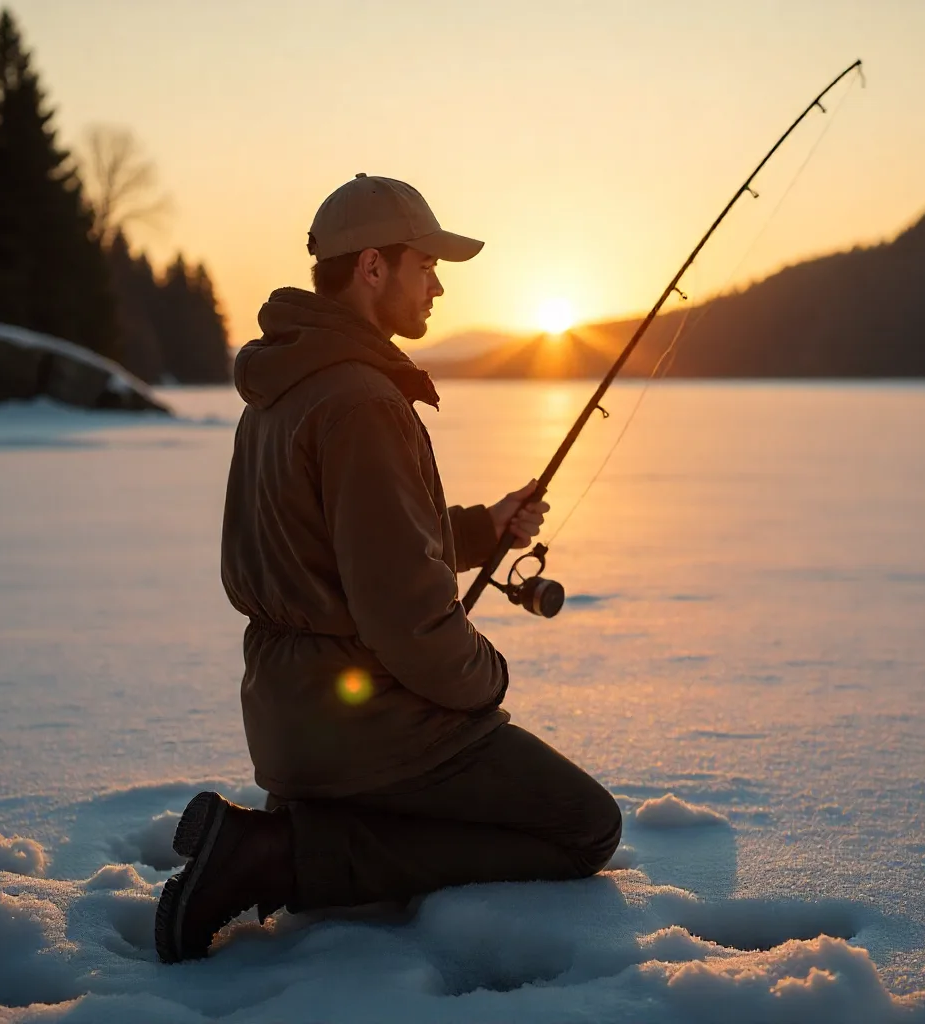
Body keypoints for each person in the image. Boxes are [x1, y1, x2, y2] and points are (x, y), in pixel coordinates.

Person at [154, 174, 622, 964]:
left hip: (290, 717)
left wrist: (481, 530)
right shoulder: (362, 399)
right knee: (586, 826)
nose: (438, 285)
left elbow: (341, 543)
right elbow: (405, 618)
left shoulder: (284, 384)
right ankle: (276, 856)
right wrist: (487, 680)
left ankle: (302, 833)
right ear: (373, 267)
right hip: (366, 727)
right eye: (426, 265)